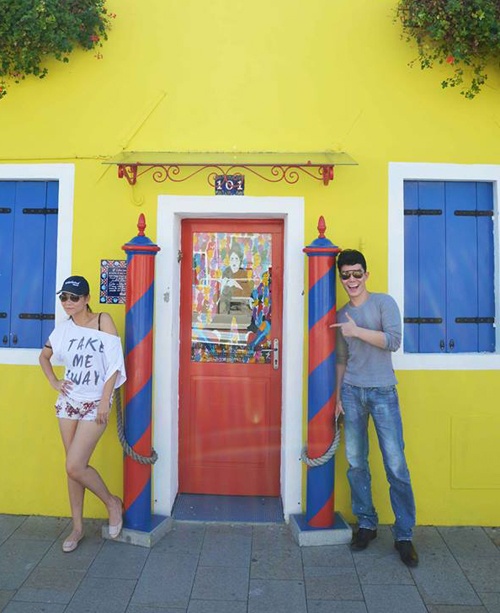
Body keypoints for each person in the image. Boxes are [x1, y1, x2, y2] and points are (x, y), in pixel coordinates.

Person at [330, 250, 418, 568]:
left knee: (396, 465)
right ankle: (366, 523)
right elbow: (342, 359)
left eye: (357, 273)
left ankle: (404, 534)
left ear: (366, 274)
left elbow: (393, 341)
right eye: (346, 275)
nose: (352, 279)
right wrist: (338, 397)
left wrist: (356, 331)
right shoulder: (341, 314)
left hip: (383, 392)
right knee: (356, 463)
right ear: (341, 278)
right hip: (352, 392)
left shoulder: (384, 303)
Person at [39, 275, 126, 553]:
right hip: (68, 402)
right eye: (63, 297)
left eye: (74, 297)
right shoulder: (63, 330)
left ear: (87, 299)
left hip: (94, 403)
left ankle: (112, 503)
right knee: (72, 467)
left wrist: (105, 401)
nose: (68, 302)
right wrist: (54, 381)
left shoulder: (103, 321)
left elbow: (114, 365)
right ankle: (77, 528)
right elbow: (44, 357)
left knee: (75, 465)